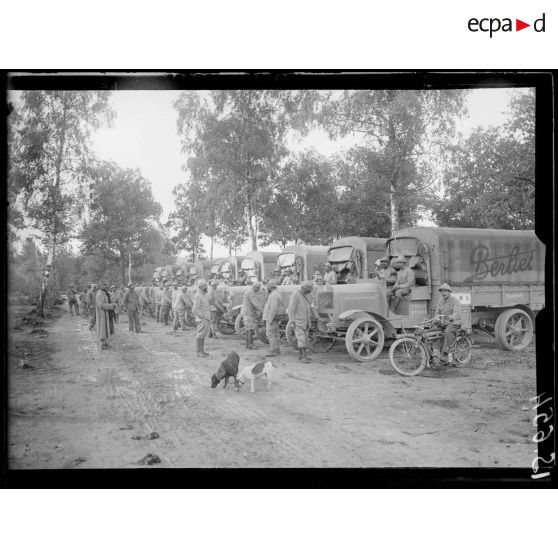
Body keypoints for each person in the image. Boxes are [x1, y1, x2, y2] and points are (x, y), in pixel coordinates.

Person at [287, 280, 320, 363]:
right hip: (297, 321)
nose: (309, 292)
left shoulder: (308, 295)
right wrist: (291, 321)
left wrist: (317, 316)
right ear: (302, 288)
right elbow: (291, 309)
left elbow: (312, 306)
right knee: (301, 338)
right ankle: (303, 356)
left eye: (310, 290)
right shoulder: (295, 295)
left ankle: (301, 355)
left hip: (306, 322)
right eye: (308, 290)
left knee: (304, 338)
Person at [434, 283, 462, 362]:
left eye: (445, 291)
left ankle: (446, 353)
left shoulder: (454, 300)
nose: (443, 293)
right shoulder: (440, 301)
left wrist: (451, 317)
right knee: (435, 332)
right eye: (442, 291)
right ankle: (435, 352)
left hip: (454, 323)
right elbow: (437, 312)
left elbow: (457, 313)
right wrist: (437, 319)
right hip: (444, 323)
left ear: (449, 292)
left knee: (448, 332)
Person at [263, 279, 285, 357]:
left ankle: (273, 351)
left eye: (268, 286)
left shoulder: (273, 295)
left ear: (270, 286)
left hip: (272, 317)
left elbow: (273, 308)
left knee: (270, 334)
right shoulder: (276, 293)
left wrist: (270, 319)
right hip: (275, 317)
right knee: (275, 334)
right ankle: (277, 349)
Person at [241, 281, 264, 350]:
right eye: (257, 288)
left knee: (248, 328)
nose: (258, 290)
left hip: (247, 311)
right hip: (248, 312)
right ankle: (250, 344)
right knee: (250, 328)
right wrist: (262, 310)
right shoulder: (250, 292)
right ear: (255, 287)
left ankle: (248, 344)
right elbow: (255, 304)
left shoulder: (249, 291)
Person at [192, 279, 211, 357]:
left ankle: (202, 351)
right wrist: (202, 317)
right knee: (200, 335)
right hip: (202, 319)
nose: (206, 287)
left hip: (205, 318)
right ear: (200, 287)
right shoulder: (198, 296)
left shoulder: (203, 295)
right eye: (205, 286)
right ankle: (199, 352)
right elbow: (194, 309)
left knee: (203, 335)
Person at [95, 281, 116, 349]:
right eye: (103, 285)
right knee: (103, 329)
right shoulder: (99, 294)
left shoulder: (104, 293)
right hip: (102, 315)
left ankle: (105, 343)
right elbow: (101, 305)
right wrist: (111, 306)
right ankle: (103, 344)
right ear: (100, 286)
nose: (105, 286)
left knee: (106, 329)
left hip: (106, 314)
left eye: (105, 285)